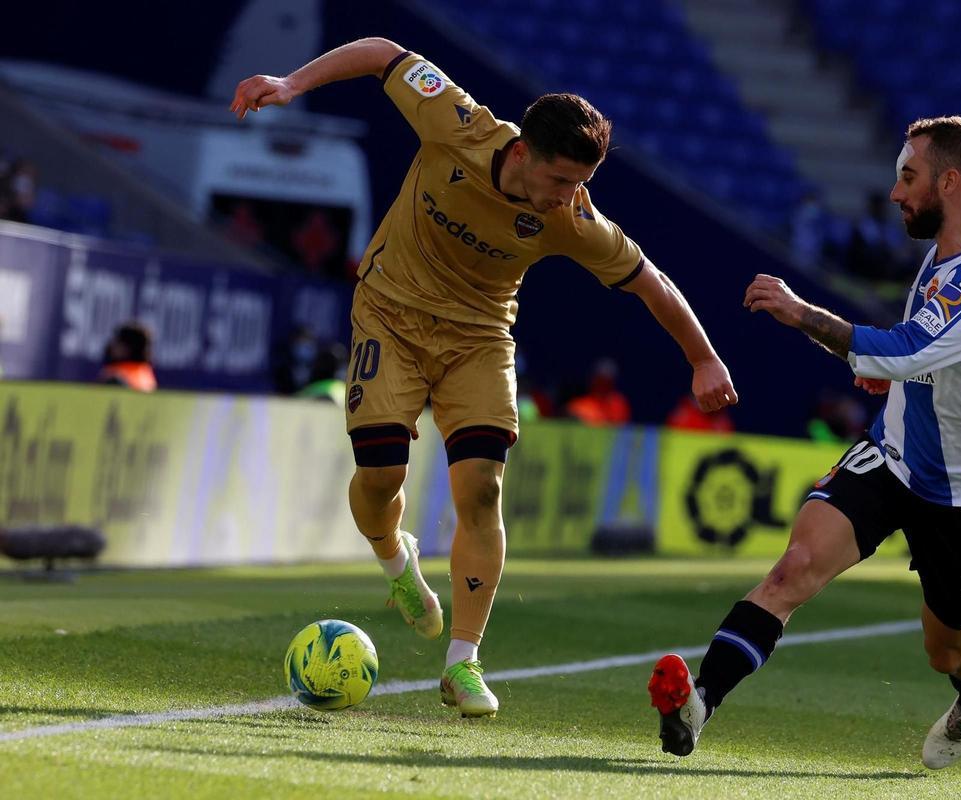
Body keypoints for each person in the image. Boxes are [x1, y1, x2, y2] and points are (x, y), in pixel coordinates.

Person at [231, 38, 737, 718]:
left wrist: (702, 357)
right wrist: (291, 83)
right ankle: (392, 557)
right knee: (382, 478)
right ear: (523, 152)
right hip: (391, 315)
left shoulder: (573, 218)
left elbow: (650, 283)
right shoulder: (457, 122)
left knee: (482, 486)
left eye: (581, 183)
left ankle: (462, 663)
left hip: (478, 339)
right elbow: (382, 52)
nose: (572, 196)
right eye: (562, 180)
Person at [648, 116, 961, 770]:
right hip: (891, 456)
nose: (894, 194)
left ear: (950, 181)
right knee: (792, 569)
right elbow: (927, 352)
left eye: (907, 178)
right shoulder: (944, 257)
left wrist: (803, 313)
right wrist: (899, 378)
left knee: (948, 651)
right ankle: (698, 705)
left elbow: (912, 346)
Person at [97, 322, 157, 392]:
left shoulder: (115, 376)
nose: (112, 346)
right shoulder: (146, 373)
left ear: (127, 348)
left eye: (117, 342)